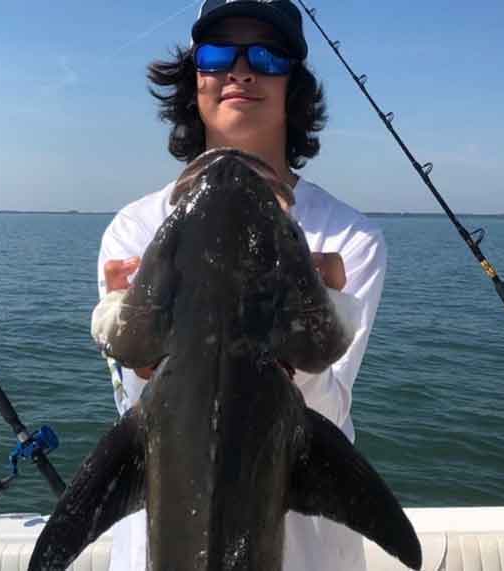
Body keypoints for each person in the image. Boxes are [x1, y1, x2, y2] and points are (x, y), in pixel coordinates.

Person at [96, 1, 387, 569]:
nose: (241, 69)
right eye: (217, 53)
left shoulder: (351, 239)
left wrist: (316, 317)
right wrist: (133, 353)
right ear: (195, 77)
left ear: (294, 86)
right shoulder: (132, 230)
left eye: (267, 54)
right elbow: (138, 403)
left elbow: (320, 409)